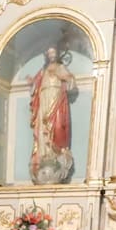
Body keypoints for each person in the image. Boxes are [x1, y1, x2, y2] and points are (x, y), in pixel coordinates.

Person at [28, 47, 76, 184]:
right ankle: (43, 155)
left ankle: (54, 156)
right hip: (43, 99)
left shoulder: (60, 67)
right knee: (41, 127)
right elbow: (34, 86)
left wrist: (63, 77)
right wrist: (32, 83)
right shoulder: (43, 70)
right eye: (49, 53)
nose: (51, 55)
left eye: (54, 52)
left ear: (58, 54)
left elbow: (71, 82)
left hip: (56, 99)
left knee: (56, 126)